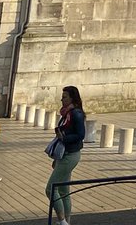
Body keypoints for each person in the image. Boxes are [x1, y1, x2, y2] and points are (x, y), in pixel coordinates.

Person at [46, 86, 86, 224]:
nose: (61, 99)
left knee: (50, 188)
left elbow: (81, 135)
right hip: (64, 153)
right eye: (62, 97)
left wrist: (64, 138)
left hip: (71, 154)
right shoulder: (66, 114)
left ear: (72, 98)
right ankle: (66, 221)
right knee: (63, 190)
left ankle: (62, 221)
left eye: (65, 97)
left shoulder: (76, 114)